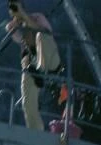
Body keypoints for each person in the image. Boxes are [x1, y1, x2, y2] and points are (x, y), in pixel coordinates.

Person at [6, 0, 61, 131]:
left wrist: (24, 16)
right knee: (27, 103)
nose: (15, 9)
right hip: (33, 65)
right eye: (12, 8)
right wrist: (18, 21)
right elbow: (19, 38)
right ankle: (36, 132)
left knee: (41, 35)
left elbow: (44, 32)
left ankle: (39, 70)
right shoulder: (13, 26)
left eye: (17, 6)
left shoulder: (38, 17)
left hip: (50, 58)